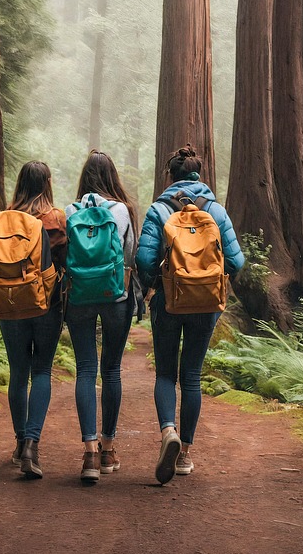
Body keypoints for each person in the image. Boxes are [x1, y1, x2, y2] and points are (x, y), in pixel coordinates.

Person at [135, 145, 244, 484]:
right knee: (192, 376)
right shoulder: (216, 211)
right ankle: (184, 456)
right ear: (200, 175)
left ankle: (169, 431)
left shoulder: (158, 210)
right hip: (207, 304)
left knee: (166, 374)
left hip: (169, 301)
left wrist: (157, 283)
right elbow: (237, 262)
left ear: (170, 176)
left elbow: (143, 260)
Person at [63, 150, 141, 484]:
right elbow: (130, 253)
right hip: (115, 296)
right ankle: (109, 448)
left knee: (84, 369)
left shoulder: (70, 209)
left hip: (79, 296)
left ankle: (89, 453)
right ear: (112, 177)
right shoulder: (121, 210)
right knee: (111, 370)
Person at [0, 160, 66, 480]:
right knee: (42, 371)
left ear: (19, 183)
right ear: (47, 183)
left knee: (18, 372)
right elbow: (67, 261)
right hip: (47, 304)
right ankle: (32, 446)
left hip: (9, 303)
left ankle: (19, 441)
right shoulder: (56, 218)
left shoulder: (1, 221)